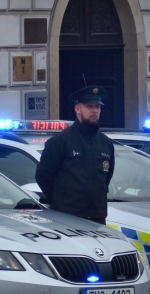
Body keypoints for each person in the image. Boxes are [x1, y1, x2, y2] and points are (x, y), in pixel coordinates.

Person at [35, 86, 115, 224]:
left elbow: (106, 178)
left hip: (97, 217)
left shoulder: (106, 143)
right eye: (89, 106)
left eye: (97, 107)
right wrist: (61, 200)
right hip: (67, 217)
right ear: (77, 109)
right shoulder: (61, 141)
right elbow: (43, 177)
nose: (95, 110)